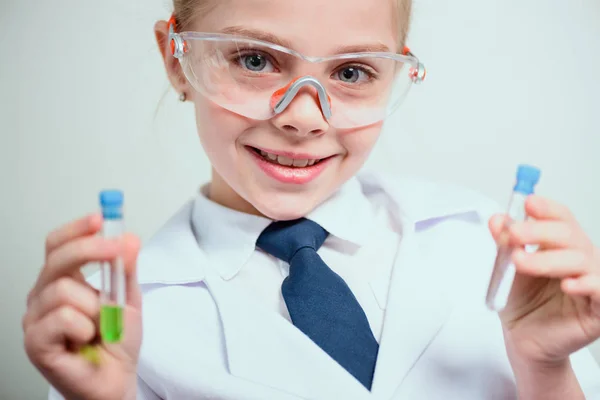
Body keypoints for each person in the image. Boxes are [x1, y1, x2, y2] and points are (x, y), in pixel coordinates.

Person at [22, 0, 600, 398]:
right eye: (254, 59)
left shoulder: (479, 244)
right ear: (178, 58)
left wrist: (545, 371)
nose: (303, 117)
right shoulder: (114, 324)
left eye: (351, 71)